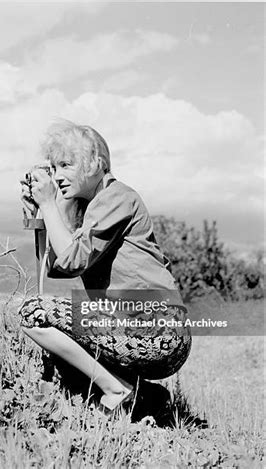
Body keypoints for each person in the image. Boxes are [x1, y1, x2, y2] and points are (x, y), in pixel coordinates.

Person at [19, 120, 192, 422]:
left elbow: (71, 260)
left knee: (33, 312)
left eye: (66, 165)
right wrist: (39, 216)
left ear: (96, 163)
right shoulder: (93, 208)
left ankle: (116, 390)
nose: (58, 177)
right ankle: (146, 396)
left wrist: (49, 205)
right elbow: (57, 269)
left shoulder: (117, 197)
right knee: (54, 324)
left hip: (159, 328)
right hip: (144, 329)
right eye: (54, 168)